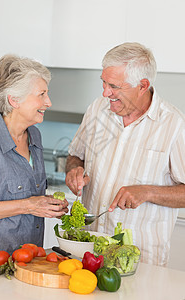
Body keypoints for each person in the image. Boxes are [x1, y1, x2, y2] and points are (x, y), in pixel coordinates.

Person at [65, 42, 185, 267]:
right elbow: (75, 155)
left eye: (114, 86)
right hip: (88, 249)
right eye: (103, 82)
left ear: (143, 85)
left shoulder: (173, 125)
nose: (105, 92)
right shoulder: (97, 109)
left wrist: (147, 192)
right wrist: (74, 170)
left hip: (138, 259)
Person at [0, 54, 68, 261]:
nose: (49, 102)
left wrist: (48, 204)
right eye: (41, 94)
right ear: (14, 100)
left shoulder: (34, 135)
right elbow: (29, 203)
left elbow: (33, 197)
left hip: (30, 259)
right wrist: (29, 204)